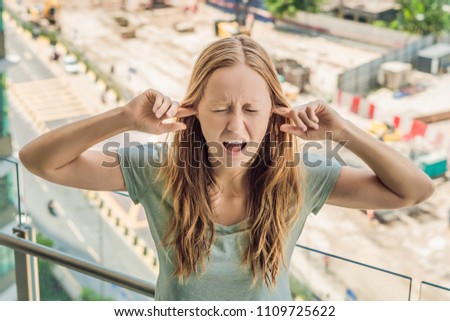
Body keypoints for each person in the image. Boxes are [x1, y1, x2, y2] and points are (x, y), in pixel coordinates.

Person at [19, 35, 434, 301]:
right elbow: (39, 160)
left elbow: (414, 190)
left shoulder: (301, 174)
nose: (236, 125)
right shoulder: (157, 168)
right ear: (194, 109)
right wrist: (124, 118)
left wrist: (344, 131)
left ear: (275, 112)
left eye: (252, 109)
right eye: (220, 108)